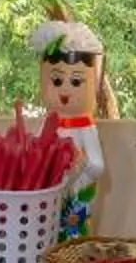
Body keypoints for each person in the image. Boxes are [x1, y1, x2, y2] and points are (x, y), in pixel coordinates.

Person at [31, 19, 106, 242]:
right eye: (56, 80)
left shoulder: (86, 127)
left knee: (73, 232)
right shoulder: (48, 122)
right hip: (48, 191)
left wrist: (81, 164)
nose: (65, 90)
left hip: (77, 191)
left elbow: (98, 166)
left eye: (75, 82)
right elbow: (35, 152)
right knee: (46, 232)